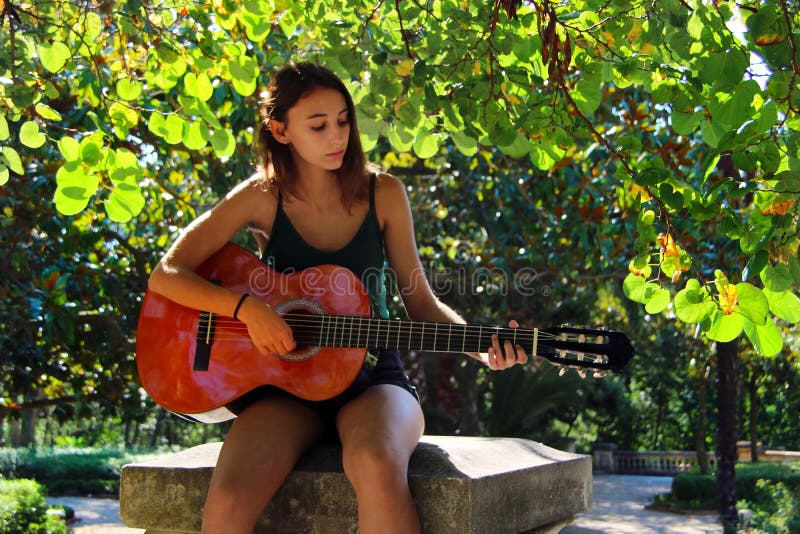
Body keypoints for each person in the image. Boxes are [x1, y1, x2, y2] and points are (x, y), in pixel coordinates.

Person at [147, 61, 529, 534]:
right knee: (227, 499)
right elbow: (167, 273)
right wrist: (248, 311)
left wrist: (480, 344)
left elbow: (422, 305)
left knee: (375, 461)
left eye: (344, 120)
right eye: (319, 125)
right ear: (281, 131)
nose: (337, 137)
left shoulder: (384, 193)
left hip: (373, 379)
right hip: (282, 388)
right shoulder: (261, 196)